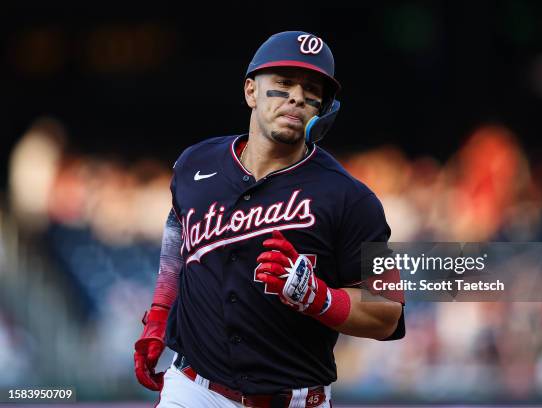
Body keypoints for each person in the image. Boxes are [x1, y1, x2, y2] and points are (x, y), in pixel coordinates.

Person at [134, 30, 405, 408]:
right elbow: (178, 231)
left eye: (312, 90)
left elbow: (387, 311)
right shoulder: (195, 163)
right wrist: (160, 314)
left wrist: (320, 298)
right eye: (283, 83)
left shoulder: (351, 198)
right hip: (193, 391)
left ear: (322, 109)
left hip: (294, 399)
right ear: (251, 91)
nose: (297, 96)